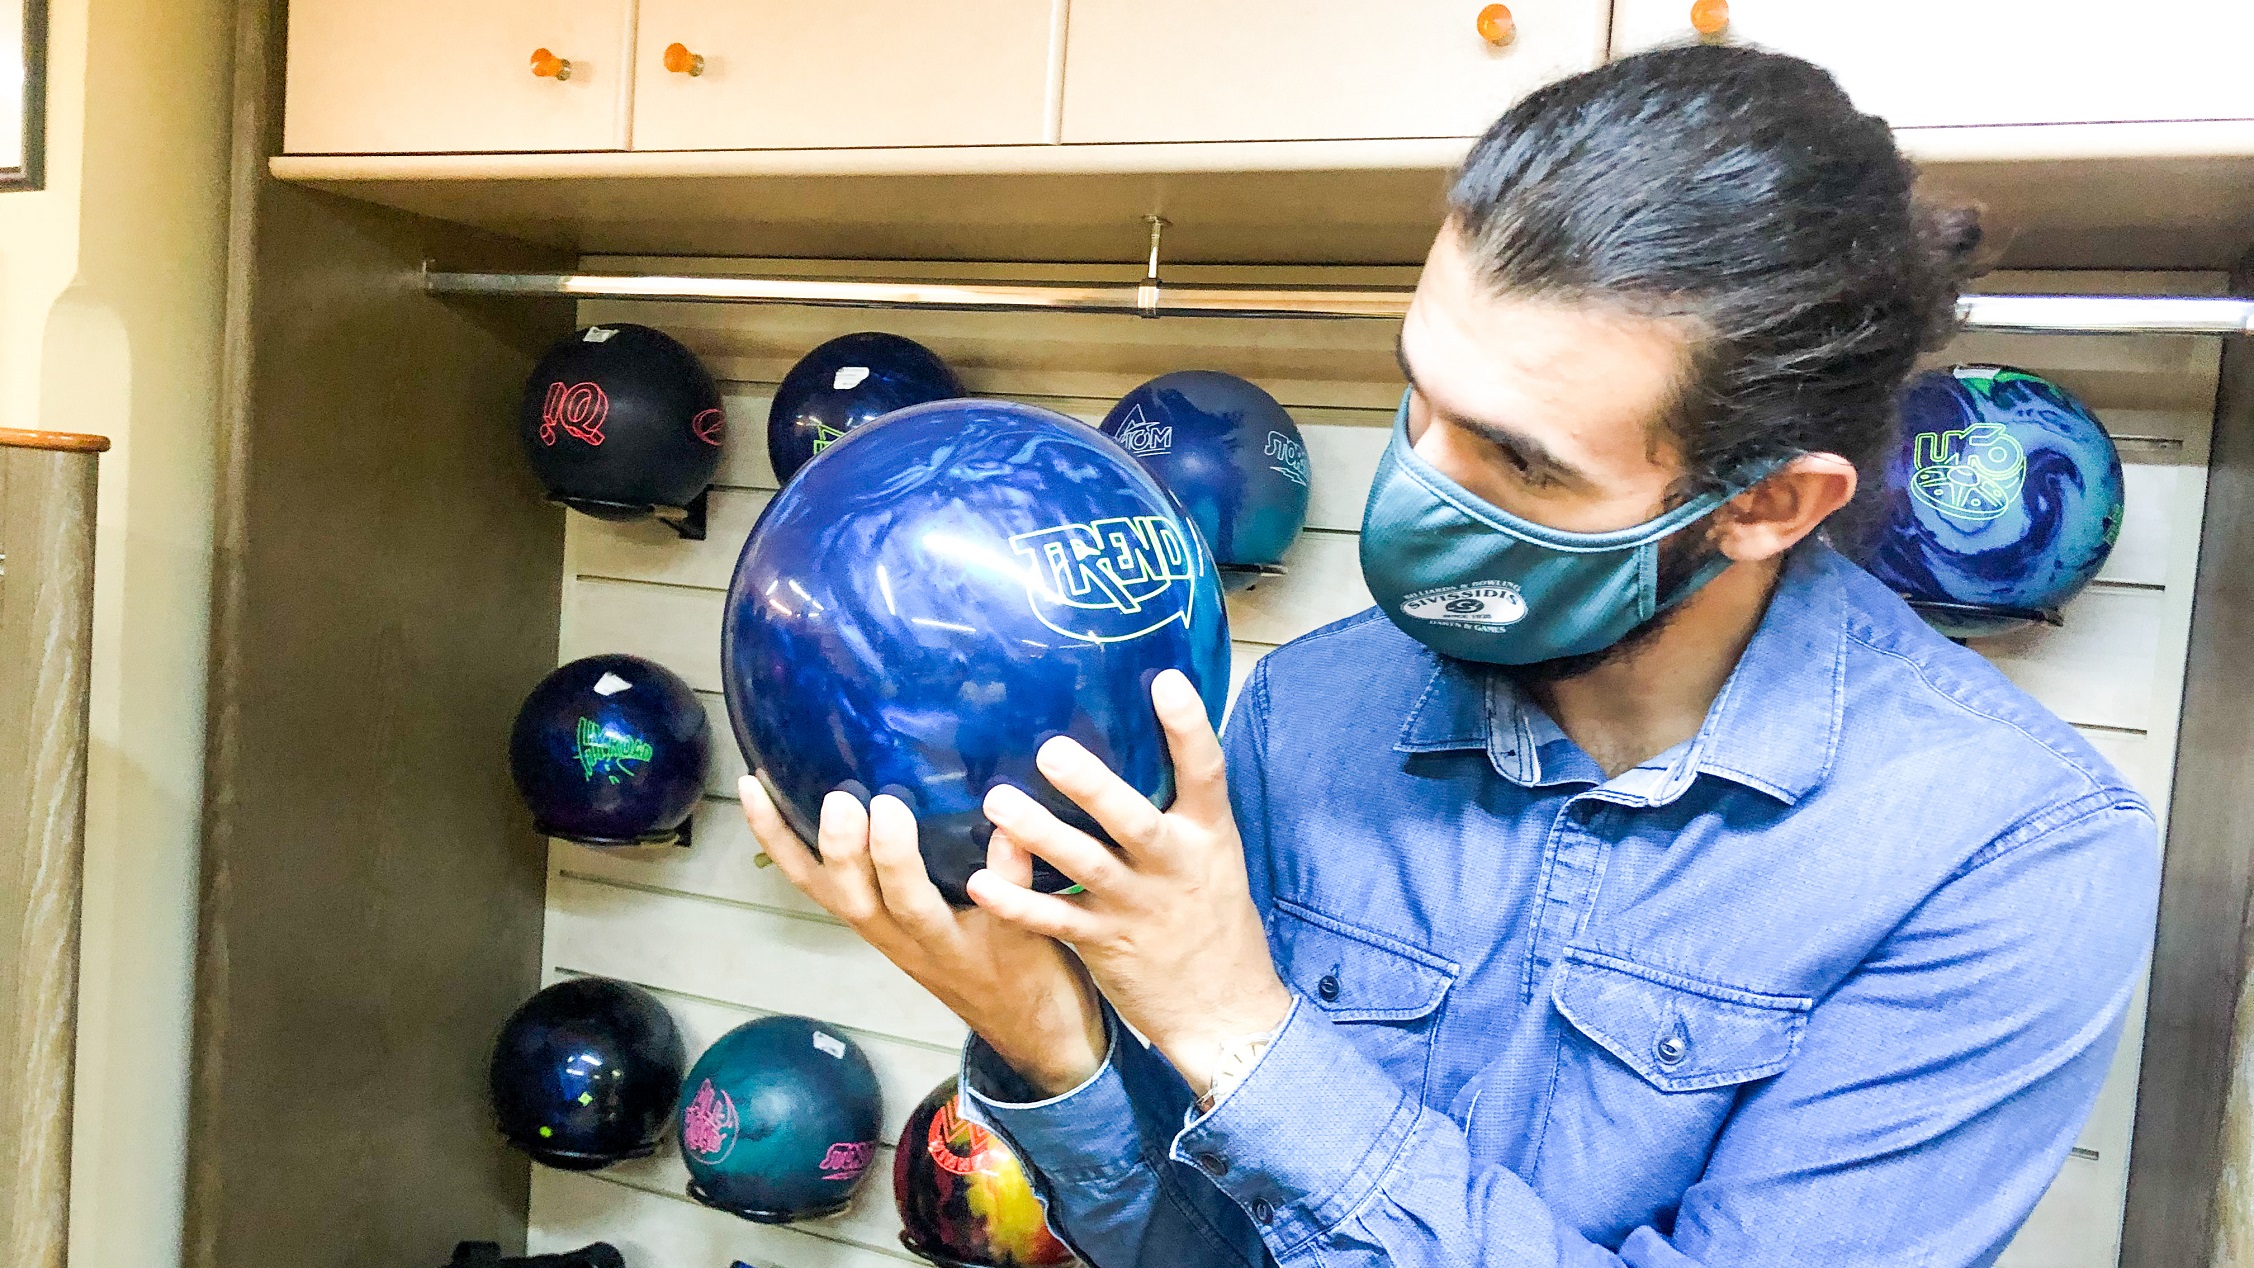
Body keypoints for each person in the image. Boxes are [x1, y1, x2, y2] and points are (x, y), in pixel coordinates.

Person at [738, 43, 2161, 1268]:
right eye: (1419, 397)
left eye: (1520, 462)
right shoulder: (1308, 711)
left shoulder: (2004, 860)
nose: (1420, 485)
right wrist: (1049, 1038)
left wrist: (1243, 1033)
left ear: (1768, 504)